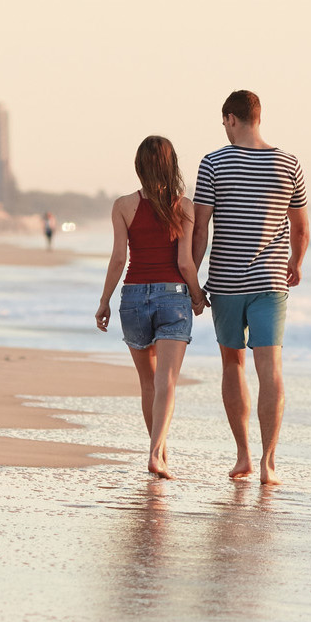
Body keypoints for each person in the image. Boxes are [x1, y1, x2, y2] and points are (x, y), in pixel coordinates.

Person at [192, 89, 308, 485]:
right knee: (270, 368)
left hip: (225, 283)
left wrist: (191, 277)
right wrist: (296, 262)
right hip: (271, 282)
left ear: (231, 119)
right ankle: (268, 463)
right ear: (258, 117)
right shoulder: (289, 163)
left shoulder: (212, 164)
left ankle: (242, 456)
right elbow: (301, 226)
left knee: (232, 363)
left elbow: (201, 227)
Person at [95, 135, 205, 479]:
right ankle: (156, 454)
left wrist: (104, 301)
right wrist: (197, 296)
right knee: (167, 382)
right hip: (173, 297)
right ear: (171, 167)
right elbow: (186, 263)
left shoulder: (123, 206)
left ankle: (159, 454)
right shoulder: (183, 206)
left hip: (132, 298)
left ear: (139, 167)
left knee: (148, 382)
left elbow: (118, 259)